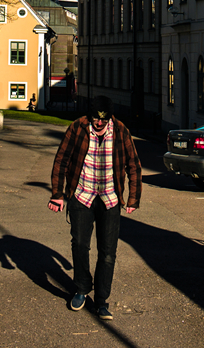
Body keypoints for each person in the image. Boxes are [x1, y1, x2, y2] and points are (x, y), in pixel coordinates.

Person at [48, 95, 141, 320]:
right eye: (95, 119)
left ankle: (101, 301)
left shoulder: (120, 131)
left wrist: (133, 199)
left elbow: (134, 165)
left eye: (103, 120)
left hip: (109, 198)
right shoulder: (78, 128)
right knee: (79, 244)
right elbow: (61, 160)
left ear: (109, 117)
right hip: (82, 195)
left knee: (108, 252)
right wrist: (58, 194)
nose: (99, 124)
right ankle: (81, 288)